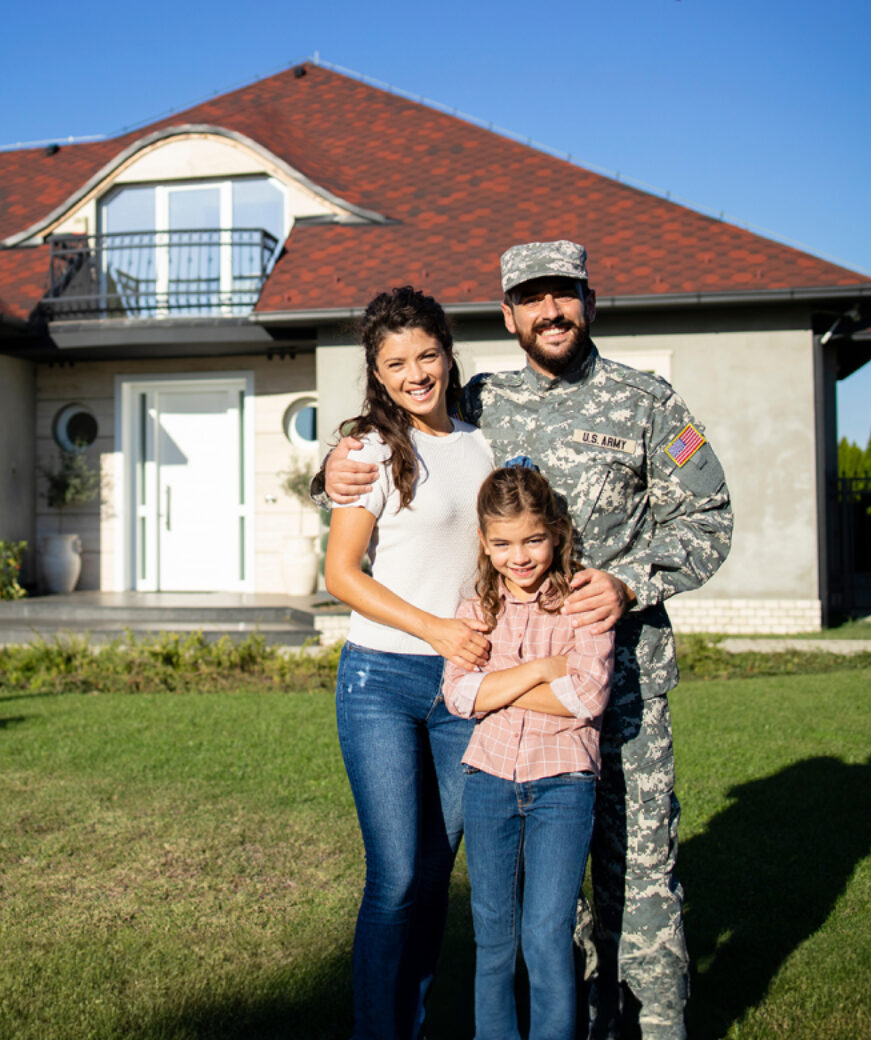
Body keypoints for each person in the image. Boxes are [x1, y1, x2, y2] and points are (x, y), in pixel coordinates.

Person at [322, 242, 732, 1039]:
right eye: (530, 298)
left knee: (639, 872)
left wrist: (630, 582)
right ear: (506, 315)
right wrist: (330, 465)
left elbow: (710, 516)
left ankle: (648, 1029)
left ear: (587, 299)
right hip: (509, 690)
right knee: (538, 891)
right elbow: (396, 436)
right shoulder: (486, 402)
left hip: (624, 690)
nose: (551, 311)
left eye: (564, 294)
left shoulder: (648, 401)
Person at [320, 286, 495, 1040]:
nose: (416, 372)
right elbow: (342, 575)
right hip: (381, 682)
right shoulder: (369, 451)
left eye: (427, 354)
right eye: (397, 362)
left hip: (461, 686)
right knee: (393, 879)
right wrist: (436, 629)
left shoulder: (484, 445)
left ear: (449, 354)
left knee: (432, 878)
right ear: (378, 373)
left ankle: (409, 1024)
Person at [443, 464, 614, 1040]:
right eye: (504, 543)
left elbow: (587, 695)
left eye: (534, 540)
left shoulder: (582, 603)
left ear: (557, 534)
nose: (520, 556)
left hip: (563, 784)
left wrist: (502, 686)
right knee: (494, 938)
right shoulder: (476, 610)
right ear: (485, 544)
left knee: (545, 934)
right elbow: (461, 695)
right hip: (488, 781)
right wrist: (541, 669)